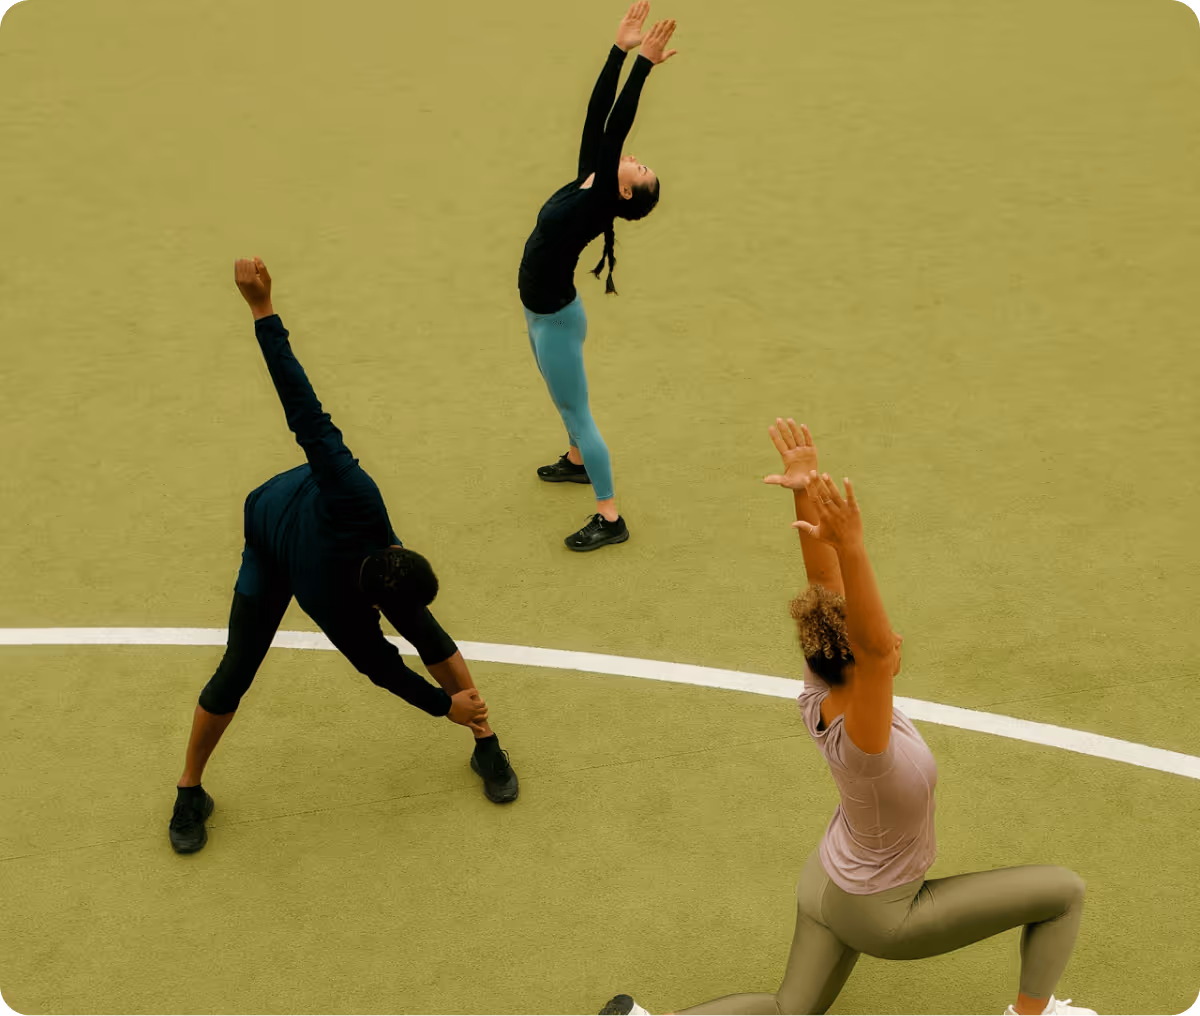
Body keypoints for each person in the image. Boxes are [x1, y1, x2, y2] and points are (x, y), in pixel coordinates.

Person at [597, 422, 1098, 1016]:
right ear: (868, 659)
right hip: (882, 913)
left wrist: (804, 489)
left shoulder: (820, 684)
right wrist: (855, 547)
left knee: (789, 1012)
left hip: (825, 882)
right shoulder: (867, 738)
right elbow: (877, 646)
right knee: (1064, 893)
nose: (895, 637)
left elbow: (825, 593)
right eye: (885, 639)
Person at [168, 257, 518, 855]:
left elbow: (307, 412)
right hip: (270, 537)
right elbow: (380, 668)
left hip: (314, 510)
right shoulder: (340, 610)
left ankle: (485, 737)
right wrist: (441, 706)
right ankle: (188, 789)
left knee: (430, 634)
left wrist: (262, 310)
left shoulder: (355, 494)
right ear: (394, 556)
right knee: (235, 673)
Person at [518, 1, 678, 551]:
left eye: (642, 168)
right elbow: (597, 116)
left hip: (556, 321)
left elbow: (619, 121)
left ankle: (610, 518)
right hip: (540, 312)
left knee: (578, 411)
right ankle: (576, 461)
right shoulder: (592, 177)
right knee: (562, 400)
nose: (635, 157)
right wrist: (618, 50)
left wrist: (645, 65)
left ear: (627, 191)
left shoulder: (601, 198)